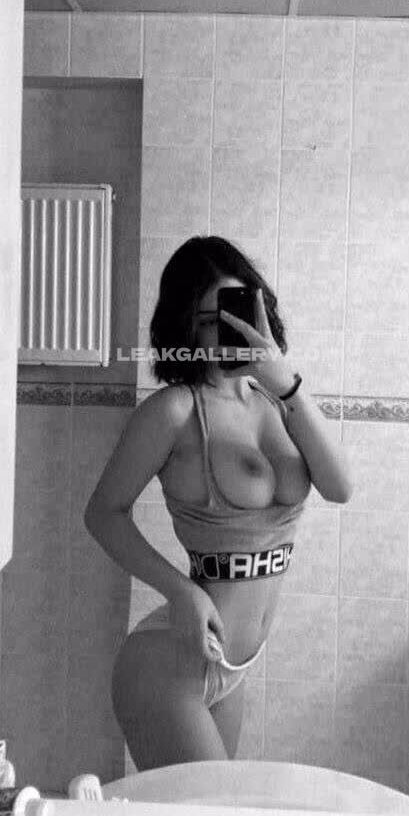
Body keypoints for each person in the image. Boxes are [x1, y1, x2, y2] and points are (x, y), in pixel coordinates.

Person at [85, 236, 352, 770]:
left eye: (237, 313)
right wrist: (181, 591)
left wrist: (284, 380)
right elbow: (102, 514)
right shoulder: (175, 411)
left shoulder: (277, 403)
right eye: (210, 320)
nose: (225, 331)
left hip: (233, 665)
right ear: (184, 325)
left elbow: (339, 487)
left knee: (215, 815)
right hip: (168, 669)